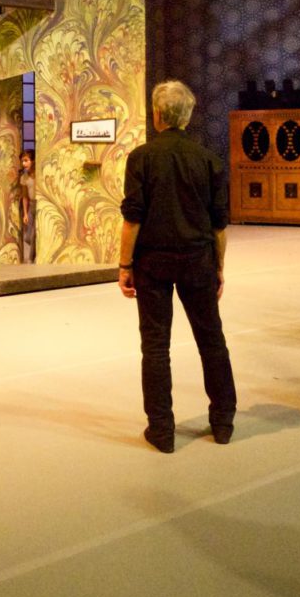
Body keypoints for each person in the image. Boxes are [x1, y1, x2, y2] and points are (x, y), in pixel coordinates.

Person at [118, 80, 236, 454]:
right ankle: (222, 423)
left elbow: (132, 220)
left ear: (156, 115)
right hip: (198, 259)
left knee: (155, 346)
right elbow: (219, 224)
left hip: (152, 263)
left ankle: (162, 430)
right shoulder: (208, 160)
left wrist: (124, 265)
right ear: (187, 115)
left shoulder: (141, 158)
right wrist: (218, 266)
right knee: (211, 340)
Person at [19, 150, 36, 263]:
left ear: (33, 161)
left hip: (41, 205)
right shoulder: (24, 177)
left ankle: (32, 259)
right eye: (22, 161)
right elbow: (25, 196)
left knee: (35, 234)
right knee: (28, 236)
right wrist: (25, 213)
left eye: (26, 160)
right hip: (31, 206)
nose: (24, 164)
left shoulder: (38, 174)